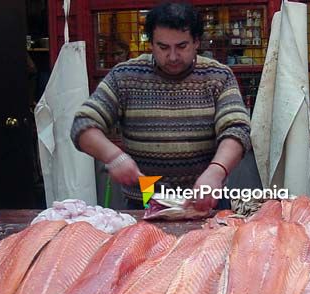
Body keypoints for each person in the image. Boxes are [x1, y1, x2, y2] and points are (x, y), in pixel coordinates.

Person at [71, 2, 251, 210]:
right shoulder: (125, 76)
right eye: (163, 47)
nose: (173, 56)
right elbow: (83, 124)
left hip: (206, 200)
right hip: (144, 201)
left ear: (196, 42)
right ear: (151, 44)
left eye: (182, 46)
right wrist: (113, 156)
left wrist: (217, 170)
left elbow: (237, 129)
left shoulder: (218, 76)